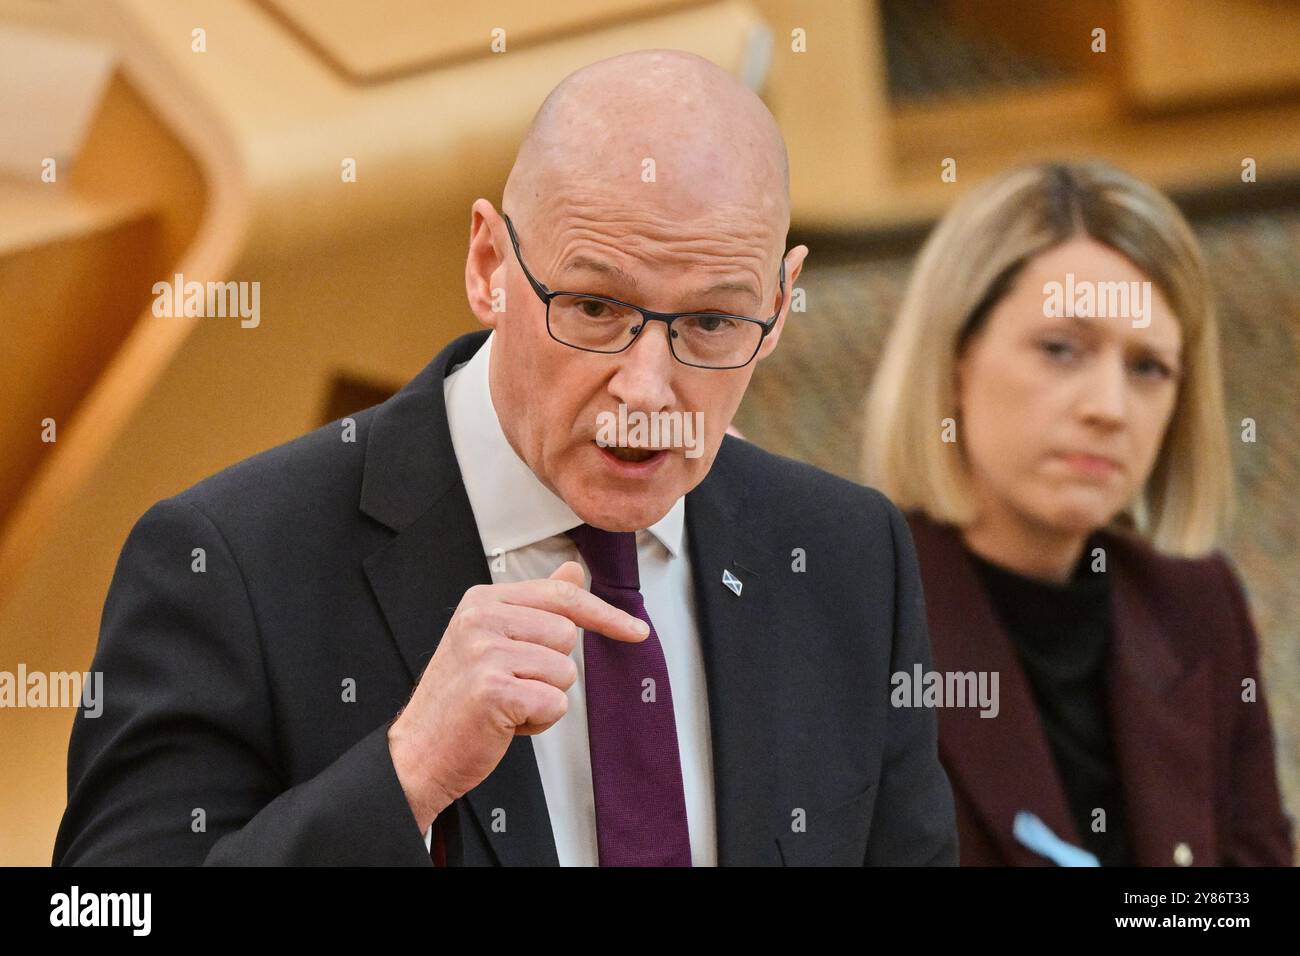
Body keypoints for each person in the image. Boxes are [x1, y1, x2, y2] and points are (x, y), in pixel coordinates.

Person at [53, 50, 957, 866]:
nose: (646, 392)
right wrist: (404, 777)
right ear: (489, 262)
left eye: (713, 323)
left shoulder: (847, 553)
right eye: (596, 308)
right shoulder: (229, 563)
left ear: (782, 302)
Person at [863, 160, 1294, 866]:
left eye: (1148, 368)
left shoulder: (1197, 606)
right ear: (953, 364)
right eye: (1062, 350)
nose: (1108, 408)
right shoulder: (852, 616)